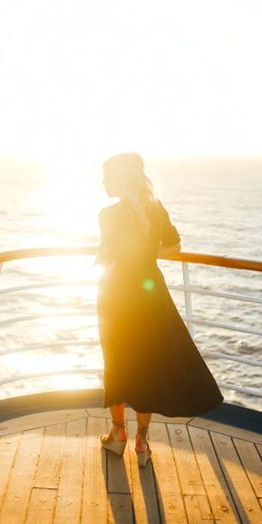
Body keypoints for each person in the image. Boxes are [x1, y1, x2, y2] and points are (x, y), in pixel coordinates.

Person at [96, 152, 224, 468]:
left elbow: (108, 254)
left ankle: (117, 435)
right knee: (147, 365)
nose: (103, 182)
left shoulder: (108, 215)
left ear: (120, 179)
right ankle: (142, 441)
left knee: (117, 360)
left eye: (107, 177)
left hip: (117, 292)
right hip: (151, 293)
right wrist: (148, 254)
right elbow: (174, 246)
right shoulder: (155, 209)